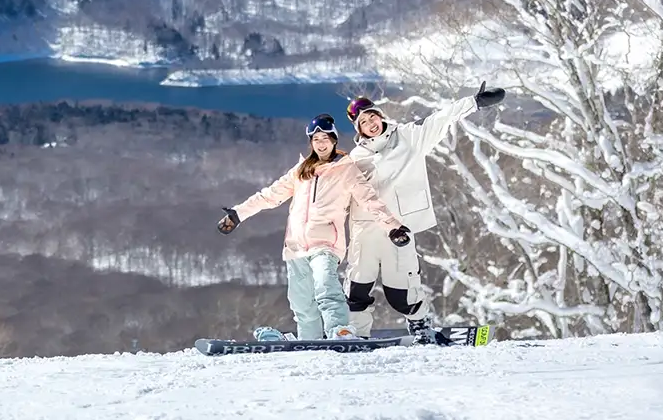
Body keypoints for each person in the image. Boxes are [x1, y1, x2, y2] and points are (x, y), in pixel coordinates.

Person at [217, 113, 408, 340]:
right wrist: (238, 214)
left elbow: (369, 200)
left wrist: (393, 227)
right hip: (296, 246)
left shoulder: (346, 170)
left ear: (334, 140)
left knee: (326, 287)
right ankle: (310, 341)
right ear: (311, 143)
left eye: (325, 138)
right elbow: (270, 196)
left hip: (326, 243)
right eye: (316, 139)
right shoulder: (300, 171)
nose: (321, 143)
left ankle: (340, 330)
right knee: (301, 302)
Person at [342, 81, 506, 336]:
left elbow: (440, 119)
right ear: (358, 129)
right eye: (364, 122)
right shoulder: (355, 158)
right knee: (357, 287)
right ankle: (356, 333)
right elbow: (336, 195)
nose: (371, 123)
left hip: (400, 229)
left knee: (402, 290)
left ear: (381, 116)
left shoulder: (409, 137)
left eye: (373, 116)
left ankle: (419, 324)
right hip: (365, 232)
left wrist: (473, 102)